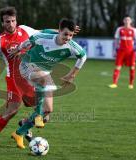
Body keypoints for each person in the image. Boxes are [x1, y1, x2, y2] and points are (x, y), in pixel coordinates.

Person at [10, 18, 87, 149]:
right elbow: (26, 43)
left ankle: (20, 131)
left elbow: (83, 56)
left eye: (71, 35)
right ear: (59, 31)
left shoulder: (72, 46)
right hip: (27, 65)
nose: (68, 38)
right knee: (44, 81)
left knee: (48, 111)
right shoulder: (43, 37)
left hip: (44, 73)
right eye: (65, 34)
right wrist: (18, 49)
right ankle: (38, 114)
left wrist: (72, 74)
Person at [0, 6, 42, 147]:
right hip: (14, 80)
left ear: (16, 21)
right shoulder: (0, 40)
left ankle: (24, 126)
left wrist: (60, 32)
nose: (10, 24)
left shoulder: (25, 30)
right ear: (2, 23)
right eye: (7, 21)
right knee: (12, 110)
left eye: (12, 21)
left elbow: (44, 33)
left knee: (42, 110)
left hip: (30, 78)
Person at [109, 15, 136, 89]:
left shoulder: (134, 30)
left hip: (130, 51)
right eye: (125, 20)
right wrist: (114, 50)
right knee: (118, 67)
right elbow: (116, 40)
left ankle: (131, 84)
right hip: (121, 51)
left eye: (128, 20)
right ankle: (114, 83)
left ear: (131, 21)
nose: (127, 21)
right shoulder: (119, 29)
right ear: (123, 21)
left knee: (132, 67)